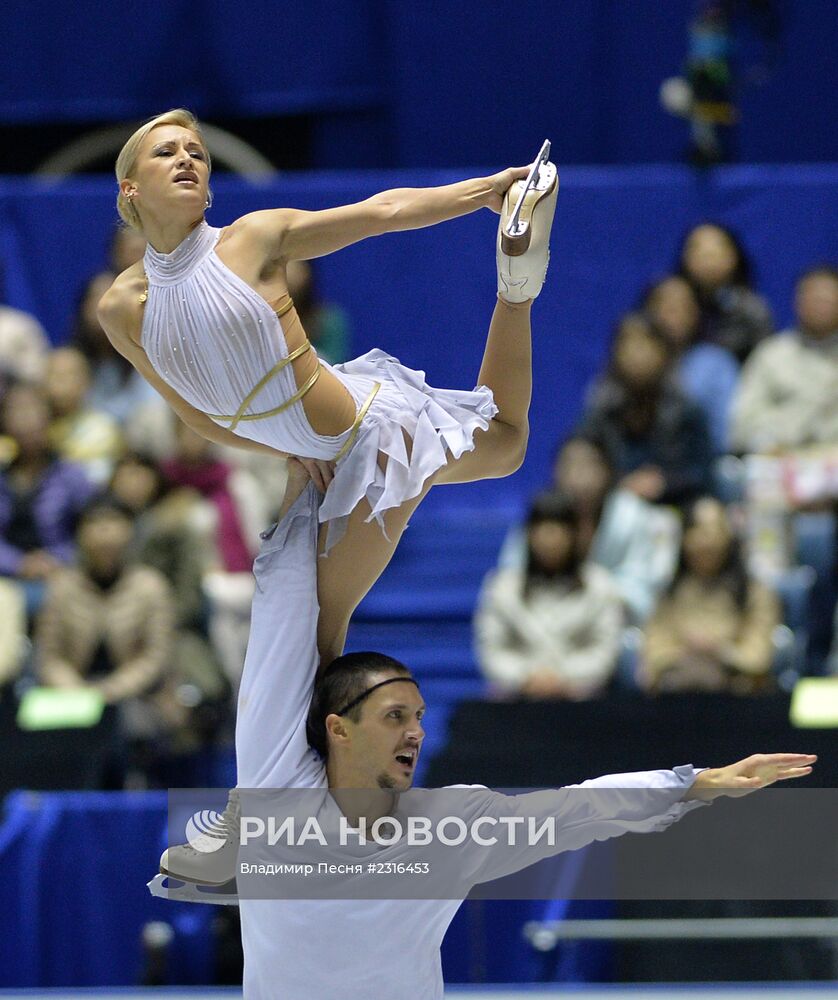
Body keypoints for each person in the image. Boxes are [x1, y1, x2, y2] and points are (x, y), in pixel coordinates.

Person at [152, 468, 815, 1000]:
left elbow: (578, 809)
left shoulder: (449, 826)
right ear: (338, 730)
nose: (415, 733)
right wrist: (299, 487)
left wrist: (693, 784)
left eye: (416, 716)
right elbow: (280, 633)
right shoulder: (277, 787)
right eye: (393, 718)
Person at [96, 110, 558, 665]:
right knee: (504, 446)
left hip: (372, 437)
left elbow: (379, 213)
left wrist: (487, 190)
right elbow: (195, 417)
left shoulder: (252, 238)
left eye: (196, 153)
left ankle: (516, 288)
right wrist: (291, 447)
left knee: (319, 625)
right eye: (167, 152)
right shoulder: (121, 307)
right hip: (323, 447)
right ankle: (516, 288)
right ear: (131, 188)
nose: (187, 159)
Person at [35, 496, 178, 784]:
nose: (104, 532)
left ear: (130, 530)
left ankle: (129, 805)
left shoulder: (150, 586)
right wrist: (73, 688)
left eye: (113, 522)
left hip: (137, 696)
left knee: (127, 724)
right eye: (94, 523)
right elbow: (48, 656)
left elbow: (155, 658)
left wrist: (107, 692)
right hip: (72, 693)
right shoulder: (62, 587)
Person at [498, 434, 680, 623]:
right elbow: (511, 577)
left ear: (608, 471)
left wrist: (589, 597)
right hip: (544, 625)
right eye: (569, 465)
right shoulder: (542, 513)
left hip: (616, 626)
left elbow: (640, 589)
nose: (579, 476)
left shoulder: (631, 515)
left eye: (589, 465)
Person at [475, 490, 623, 699]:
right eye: (542, 527)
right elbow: (491, 651)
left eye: (559, 528)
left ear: (576, 535)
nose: (550, 537)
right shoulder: (502, 586)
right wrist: (527, 676)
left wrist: (561, 678)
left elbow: (604, 653)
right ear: (528, 534)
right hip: (516, 700)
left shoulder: (600, 585)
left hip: (582, 702)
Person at [639, 496, 780, 694]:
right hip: (679, 693)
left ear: (729, 536)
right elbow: (654, 650)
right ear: (684, 538)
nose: (706, 540)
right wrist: (687, 654)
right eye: (698, 529)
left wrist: (720, 652)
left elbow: (759, 655)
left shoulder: (754, 592)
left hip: (738, 696)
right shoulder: (669, 592)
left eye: (715, 529)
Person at [577, 312, 714, 506]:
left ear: (665, 354)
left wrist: (664, 483)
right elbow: (581, 457)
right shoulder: (602, 409)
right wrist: (619, 484)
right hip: (609, 508)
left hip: (673, 508)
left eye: (644, 344)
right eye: (627, 344)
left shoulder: (686, 411)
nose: (635, 354)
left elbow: (703, 471)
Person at [0, 381, 95, 615]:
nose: (26, 418)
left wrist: (57, 560)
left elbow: (90, 529)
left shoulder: (71, 474)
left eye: (33, 408)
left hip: (62, 575)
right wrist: (18, 564)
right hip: (6, 578)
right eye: (16, 410)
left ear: (49, 415)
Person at [729, 265, 838, 454]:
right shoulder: (771, 354)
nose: (822, 303)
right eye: (814, 296)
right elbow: (740, 426)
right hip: (783, 461)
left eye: (828, 296)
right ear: (797, 302)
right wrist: (768, 442)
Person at [642, 274, 739, 454]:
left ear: (696, 313)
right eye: (665, 305)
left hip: (698, 465)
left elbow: (725, 434)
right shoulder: (629, 361)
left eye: (682, 306)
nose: (673, 313)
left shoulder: (715, 363)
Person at [677, 222, 773, 364]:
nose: (708, 259)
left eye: (716, 251)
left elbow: (767, 359)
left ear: (734, 256)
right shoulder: (673, 304)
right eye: (699, 251)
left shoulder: (751, 309)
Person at [43, 347, 125, 485]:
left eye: (69, 375)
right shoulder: (33, 428)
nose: (60, 383)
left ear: (87, 381)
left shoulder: (102, 430)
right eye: (53, 374)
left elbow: (99, 481)